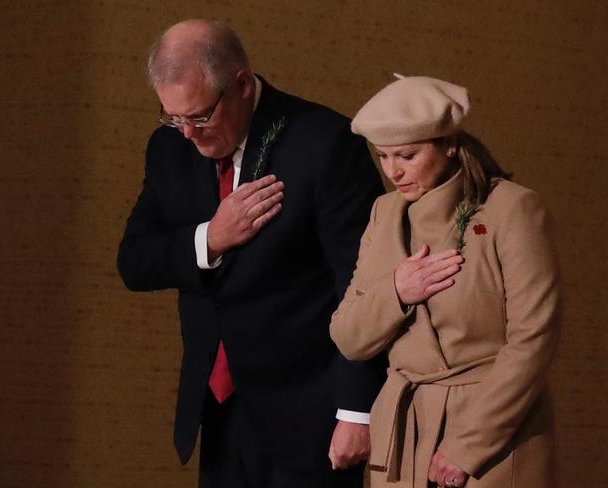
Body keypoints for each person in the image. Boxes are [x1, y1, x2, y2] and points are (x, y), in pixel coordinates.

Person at [117, 19, 386, 488]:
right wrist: (210, 238)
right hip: (217, 413)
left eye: (199, 117)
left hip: (312, 415)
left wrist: (357, 412)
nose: (187, 134)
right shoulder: (169, 149)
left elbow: (362, 284)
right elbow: (135, 261)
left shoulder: (326, 143)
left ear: (241, 84)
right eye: (173, 117)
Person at [330, 76, 560, 488]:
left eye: (407, 155)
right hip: (403, 439)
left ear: (449, 143)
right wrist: (398, 291)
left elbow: (533, 340)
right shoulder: (384, 213)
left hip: (493, 437)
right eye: (382, 156)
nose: (392, 171)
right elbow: (348, 336)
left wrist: (468, 445)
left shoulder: (512, 209)